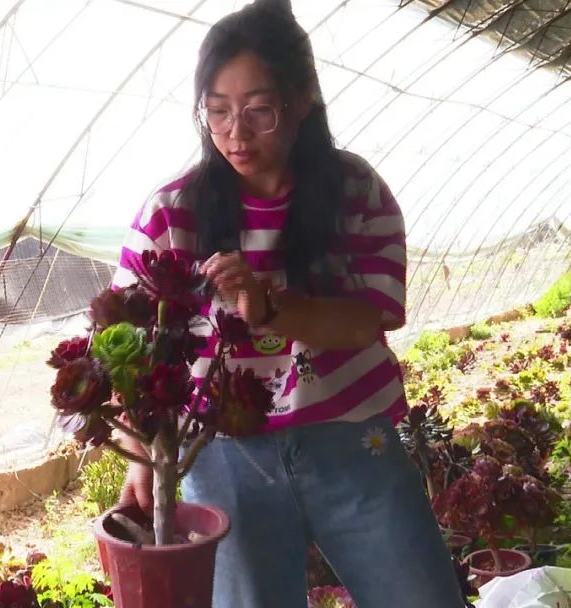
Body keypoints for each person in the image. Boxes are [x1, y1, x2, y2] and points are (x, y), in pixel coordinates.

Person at [109, 1, 465, 606]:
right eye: (217, 111)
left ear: (303, 100)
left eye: (259, 111)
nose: (235, 133)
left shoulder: (355, 192)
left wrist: (269, 306)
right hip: (219, 451)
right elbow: (130, 346)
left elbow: (364, 322)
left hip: (351, 439)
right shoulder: (173, 213)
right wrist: (142, 458)